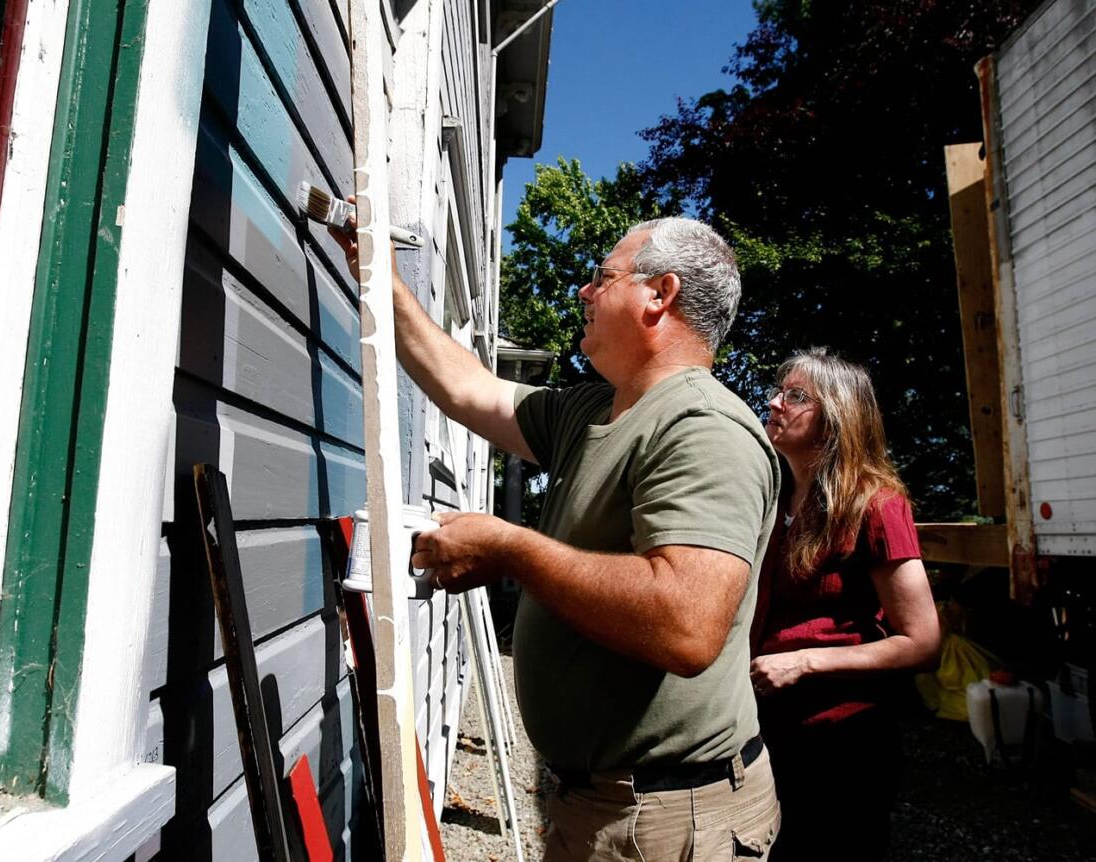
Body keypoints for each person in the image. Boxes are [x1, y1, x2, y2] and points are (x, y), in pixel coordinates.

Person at [332, 215, 781, 861]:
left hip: (664, 816)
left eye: (603, 276)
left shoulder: (704, 429)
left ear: (661, 294)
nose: (583, 291)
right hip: (595, 800)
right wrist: (379, 274)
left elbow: (688, 623)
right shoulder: (592, 411)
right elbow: (464, 386)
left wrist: (513, 549)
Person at [750, 348, 941, 862]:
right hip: (768, 728)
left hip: (842, 741)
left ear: (836, 416)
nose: (773, 402)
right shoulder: (773, 501)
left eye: (794, 396)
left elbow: (922, 643)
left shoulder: (876, 505)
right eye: (778, 390)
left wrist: (806, 661)